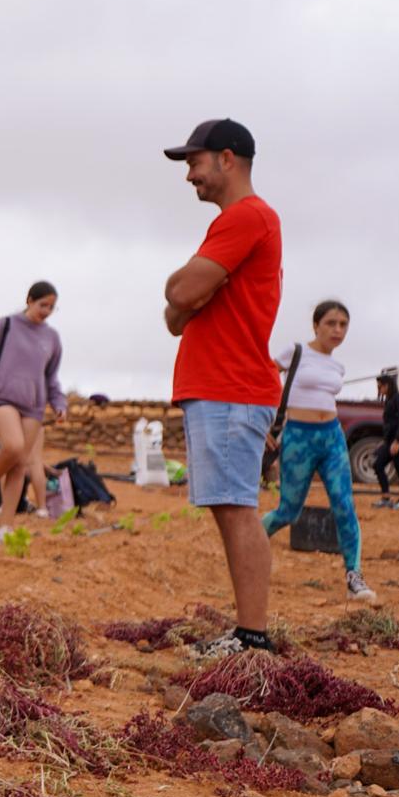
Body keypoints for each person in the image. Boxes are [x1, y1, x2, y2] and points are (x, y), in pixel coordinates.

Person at [161, 119, 282, 657]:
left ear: (227, 159)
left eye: (195, 162)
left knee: (236, 508)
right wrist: (186, 296)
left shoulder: (247, 217)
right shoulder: (236, 224)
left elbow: (180, 291)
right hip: (220, 385)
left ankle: (252, 637)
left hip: (232, 385)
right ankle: (246, 632)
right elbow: (175, 315)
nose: (190, 175)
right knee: (229, 506)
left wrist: (184, 290)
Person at [259, 302, 374, 602]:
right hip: (298, 437)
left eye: (343, 324)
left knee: (344, 505)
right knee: (288, 510)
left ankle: (354, 577)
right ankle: (247, 547)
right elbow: (264, 376)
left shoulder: (338, 366)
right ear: (316, 325)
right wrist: (267, 420)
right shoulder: (295, 352)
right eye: (331, 323)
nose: (337, 330)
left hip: (332, 437)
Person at [0, 281, 66, 528]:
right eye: (42, 304)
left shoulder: (52, 338)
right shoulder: (6, 325)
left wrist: (58, 403)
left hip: (33, 407)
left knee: (20, 465)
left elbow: (50, 377)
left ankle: (6, 527)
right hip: (2, 399)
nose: (46, 311)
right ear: (29, 300)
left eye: (52, 307)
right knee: (13, 446)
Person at [371, 374, 399, 509]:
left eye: (380, 386)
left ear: (387, 385)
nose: (379, 388)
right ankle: (386, 498)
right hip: (391, 441)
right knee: (378, 464)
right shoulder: (390, 400)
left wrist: (397, 441)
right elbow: (390, 424)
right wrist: (386, 441)